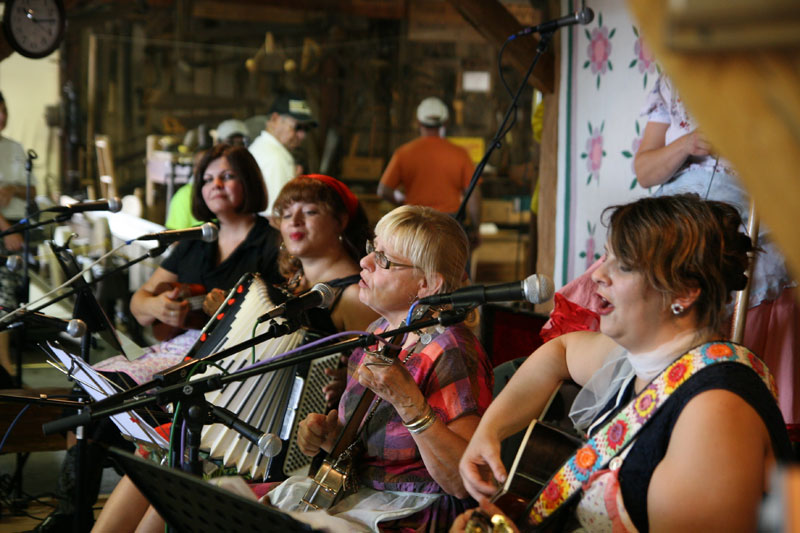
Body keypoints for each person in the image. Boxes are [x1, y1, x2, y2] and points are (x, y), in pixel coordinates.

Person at [455, 194, 792, 532]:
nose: (598, 274)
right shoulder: (639, 362)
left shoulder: (717, 412)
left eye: (624, 264)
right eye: (606, 257)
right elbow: (560, 352)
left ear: (684, 292)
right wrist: (489, 432)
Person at [91, 175, 380, 533]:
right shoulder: (289, 286)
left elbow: (368, 381)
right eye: (286, 213)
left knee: (182, 461)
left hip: (287, 443)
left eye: (310, 211)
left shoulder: (354, 295)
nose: (294, 221)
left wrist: (339, 382)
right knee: (163, 449)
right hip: (239, 426)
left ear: (341, 221)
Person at [36, 144, 280, 533]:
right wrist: (160, 309)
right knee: (91, 393)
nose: (215, 185)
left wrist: (228, 310)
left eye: (228, 176)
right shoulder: (194, 241)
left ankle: (86, 511)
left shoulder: (270, 243)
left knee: (113, 395)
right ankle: (72, 511)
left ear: (248, 182)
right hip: (174, 348)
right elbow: (139, 301)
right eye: (207, 178)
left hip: (223, 362)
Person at [258, 205, 493, 532]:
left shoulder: (451, 348)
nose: (364, 262)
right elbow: (372, 455)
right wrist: (331, 438)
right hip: (360, 497)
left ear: (427, 284)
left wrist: (410, 402)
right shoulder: (378, 333)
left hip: (413, 512)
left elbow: (463, 481)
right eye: (372, 249)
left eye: (383, 259)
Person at [377, 97, 481, 233]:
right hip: (449, 224)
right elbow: (473, 194)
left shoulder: (403, 153)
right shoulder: (460, 154)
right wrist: (475, 228)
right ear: (445, 122)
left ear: (419, 122)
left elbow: (383, 190)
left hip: (415, 223)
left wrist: (401, 202)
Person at [0, 91, 33, 378]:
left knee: (11, 297)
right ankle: (5, 365)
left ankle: (6, 364)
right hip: (5, 228)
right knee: (3, 295)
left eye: (3, 110)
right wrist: (6, 230)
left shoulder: (15, 147)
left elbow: (32, 188)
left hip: (16, 222)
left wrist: (14, 189)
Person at [248, 94, 317, 215]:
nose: (302, 135)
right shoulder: (274, 158)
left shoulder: (264, 148)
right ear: (275, 119)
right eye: (298, 127)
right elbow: (274, 215)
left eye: (306, 129)